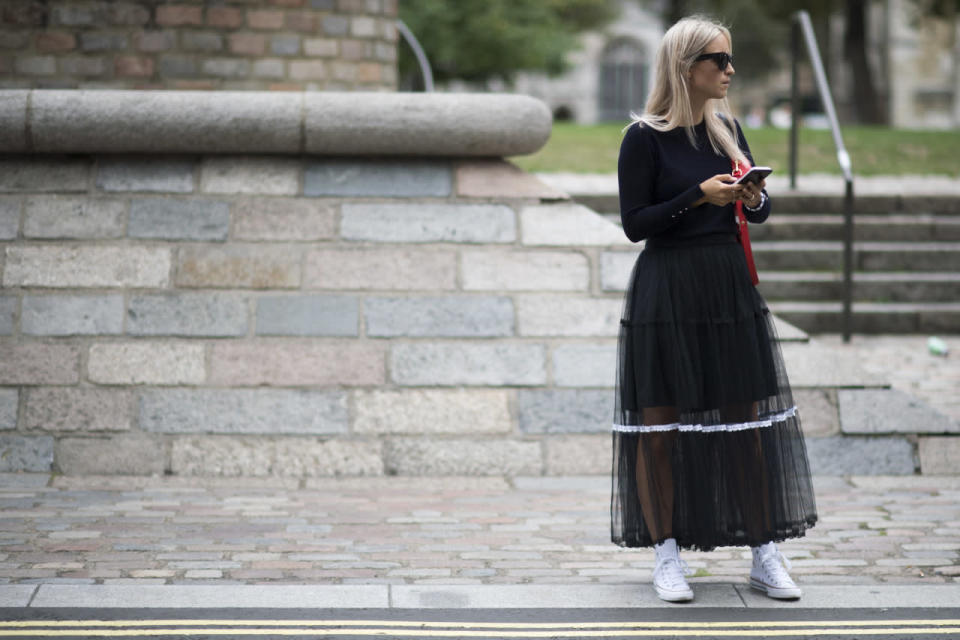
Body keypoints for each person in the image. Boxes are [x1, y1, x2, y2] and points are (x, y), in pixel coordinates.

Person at [610, 15, 818, 603]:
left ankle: (763, 551)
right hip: (668, 285)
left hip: (726, 286)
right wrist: (695, 196)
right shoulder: (643, 137)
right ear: (686, 67)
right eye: (718, 61)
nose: (730, 70)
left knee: (746, 424)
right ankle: (665, 554)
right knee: (658, 427)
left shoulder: (727, 128)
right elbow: (635, 224)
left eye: (730, 60)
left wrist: (752, 197)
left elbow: (757, 213)